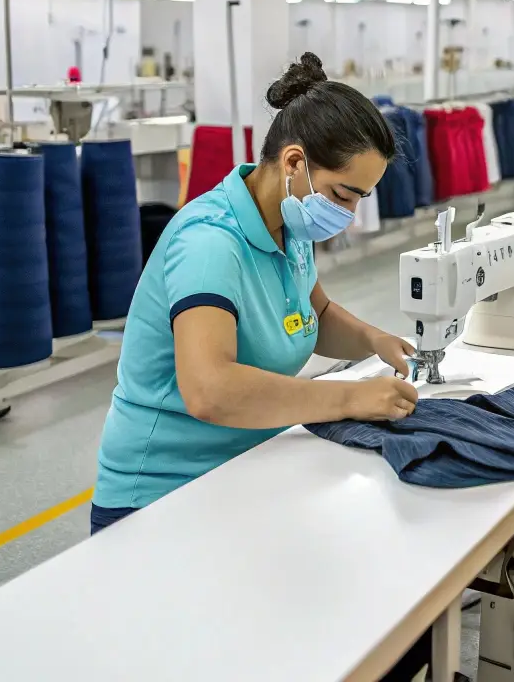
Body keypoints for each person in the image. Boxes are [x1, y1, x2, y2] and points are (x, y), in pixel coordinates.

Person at [92, 52, 419, 534]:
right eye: (344, 195)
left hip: (243, 468)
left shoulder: (290, 226)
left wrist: (376, 341)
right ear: (294, 162)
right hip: (161, 498)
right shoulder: (210, 242)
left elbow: (316, 312)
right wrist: (350, 398)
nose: (347, 213)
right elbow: (210, 389)